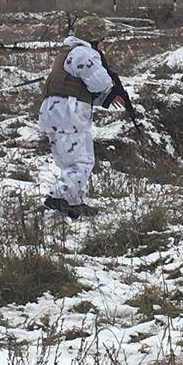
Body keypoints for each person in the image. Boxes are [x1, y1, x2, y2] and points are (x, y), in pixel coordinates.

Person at [37, 15, 125, 219]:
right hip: (69, 114)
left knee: (71, 162)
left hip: (55, 112)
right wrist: (109, 83)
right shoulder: (85, 54)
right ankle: (57, 199)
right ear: (95, 38)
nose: (104, 43)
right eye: (102, 39)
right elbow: (99, 83)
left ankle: (74, 202)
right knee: (81, 162)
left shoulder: (67, 52)